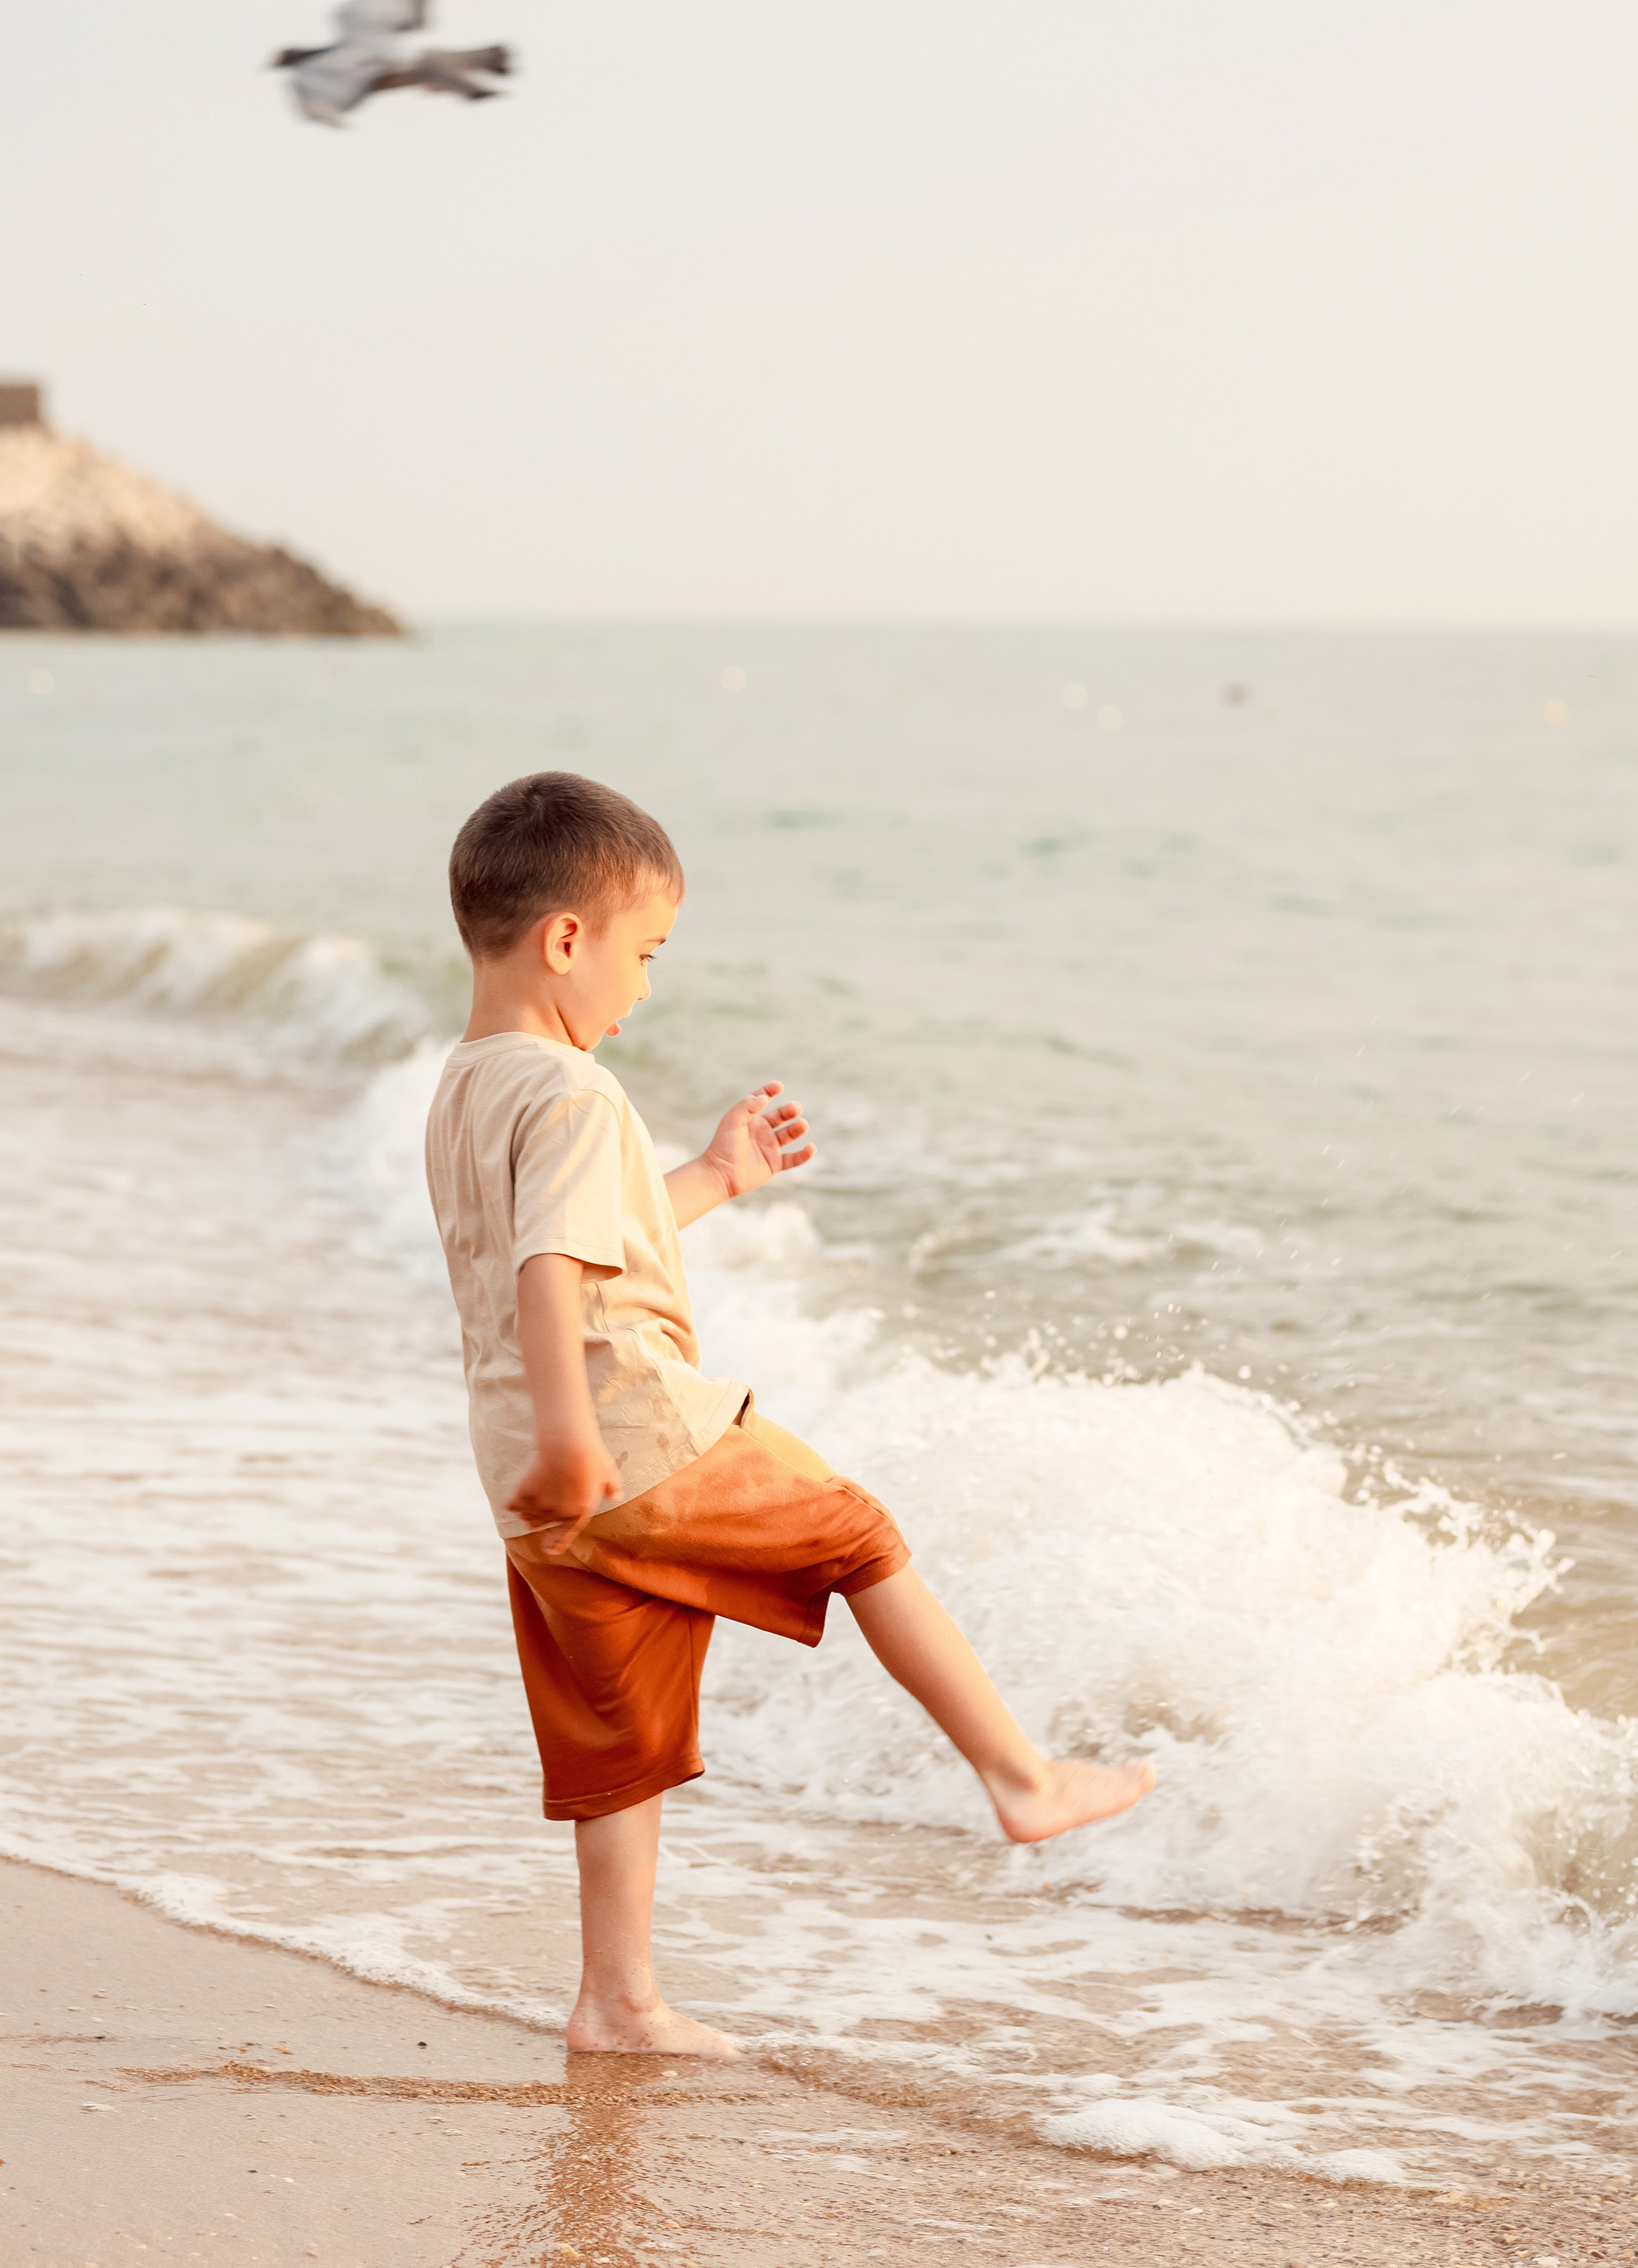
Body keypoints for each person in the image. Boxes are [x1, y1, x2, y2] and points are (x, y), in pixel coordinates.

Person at [425, 772, 1154, 2060]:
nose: (647, 987)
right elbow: (552, 1270)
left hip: (530, 1482)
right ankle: (1023, 1777)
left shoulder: (468, 1086)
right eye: (647, 954)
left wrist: (714, 1177)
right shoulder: (578, 1093)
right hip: (633, 1437)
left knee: (623, 1732)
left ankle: (617, 2001)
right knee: (860, 1536)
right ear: (567, 941)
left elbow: (577, 1236)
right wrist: (578, 1436)